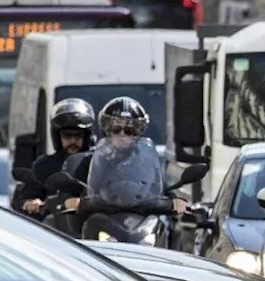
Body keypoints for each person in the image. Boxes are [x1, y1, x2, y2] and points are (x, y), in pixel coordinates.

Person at [65, 97, 187, 229]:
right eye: (116, 130)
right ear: (108, 131)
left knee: (171, 231)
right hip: (101, 222)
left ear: (137, 133)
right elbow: (74, 190)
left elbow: (160, 187)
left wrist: (176, 200)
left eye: (129, 131)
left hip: (140, 223)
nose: (122, 135)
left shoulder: (147, 160)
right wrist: (71, 201)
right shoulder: (91, 160)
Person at [12, 98, 95, 218]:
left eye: (78, 136)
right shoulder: (45, 165)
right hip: (53, 227)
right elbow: (26, 196)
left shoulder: (96, 163)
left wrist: (83, 201)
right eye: (67, 136)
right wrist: (31, 202)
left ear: (86, 137)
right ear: (57, 136)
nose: (73, 141)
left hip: (91, 223)